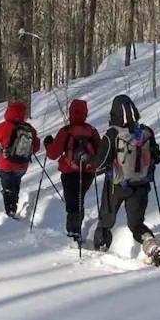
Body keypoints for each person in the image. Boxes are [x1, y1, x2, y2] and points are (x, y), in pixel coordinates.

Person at [85, 95, 160, 262]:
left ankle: (99, 251)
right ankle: (150, 244)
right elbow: (157, 157)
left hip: (117, 185)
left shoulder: (112, 134)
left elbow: (99, 163)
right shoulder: (146, 132)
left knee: (106, 220)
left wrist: (86, 158)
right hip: (141, 185)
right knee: (136, 224)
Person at [43, 99, 100, 243]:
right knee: (79, 200)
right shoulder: (92, 131)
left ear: (70, 112)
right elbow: (99, 153)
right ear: (85, 113)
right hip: (87, 172)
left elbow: (53, 154)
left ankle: (73, 232)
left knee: (72, 202)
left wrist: (48, 143)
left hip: (69, 172)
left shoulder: (66, 131)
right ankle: (76, 229)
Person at [0, 102, 40, 218]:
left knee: (7, 186)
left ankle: (10, 210)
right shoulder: (29, 129)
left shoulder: (4, 126)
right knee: (15, 184)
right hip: (21, 164)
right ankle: (13, 205)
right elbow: (36, 147)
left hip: (5, 163)